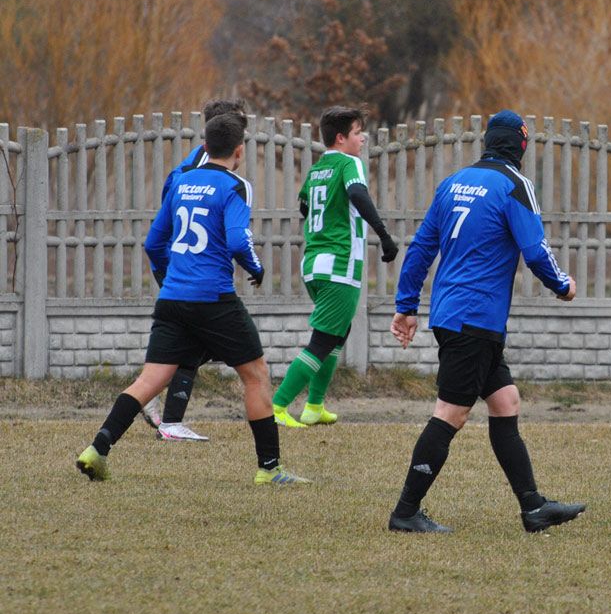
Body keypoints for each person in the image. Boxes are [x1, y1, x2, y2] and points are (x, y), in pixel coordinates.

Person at [75, 112, 309, 485]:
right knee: (256, 375)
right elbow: (238, 240)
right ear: (239, 150)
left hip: (173, 299)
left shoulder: (182, 181)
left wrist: (170, 277)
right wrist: (256, 266)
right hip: (213, 298)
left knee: (150, 379)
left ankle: (97, 449)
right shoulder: (235, 186)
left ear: (204, 147)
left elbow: (154, 243)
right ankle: (270, 469)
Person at [387, 110, 584, 534]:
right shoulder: (515, 185)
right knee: (451, 414)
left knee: (505, 402)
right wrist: (562, 285)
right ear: (521, 146)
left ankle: (533, 507)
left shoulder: (453, 183)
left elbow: (421, 248)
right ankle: (405, 511)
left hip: (453, 314)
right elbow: (536, 250)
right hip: (475, 317)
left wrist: (406, 305)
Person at [271, 106, 399, 428]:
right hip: (340, 264)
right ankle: (277, 407)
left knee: (340, 333)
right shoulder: (349, 163)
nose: (363, 138)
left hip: (314, 264)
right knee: (323, 340)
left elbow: (304, 206)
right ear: (341, 138)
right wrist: (383, 235)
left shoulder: (317, 169)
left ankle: (314, 407)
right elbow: (357, 192)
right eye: (357, 132)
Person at [140, 97, 248, 441]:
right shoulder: (201, 170)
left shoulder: (199, 163)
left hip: (186, 266)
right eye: (240, 127)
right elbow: (169, 224)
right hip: (186, 268)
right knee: (206, 340)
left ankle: (162, 405)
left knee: (200, 342)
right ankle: (155, 395)